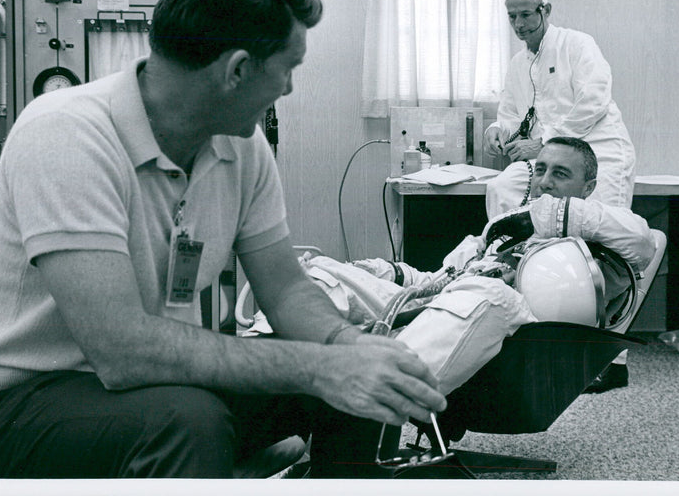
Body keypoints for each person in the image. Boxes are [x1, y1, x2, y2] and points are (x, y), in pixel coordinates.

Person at [0, 0, 447, 479]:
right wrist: (320, 366)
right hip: (25, 401)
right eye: (288, 68)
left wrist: (350, 348)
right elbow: (121, 351)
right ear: (238, 70)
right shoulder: (65, 134)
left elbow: (286, 288)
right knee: (186, 421)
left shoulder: (240, 145)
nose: (289, 87)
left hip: (160, 384)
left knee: (361, 387)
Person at [275, 137, 656, 397]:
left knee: (487, 293)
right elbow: (447, 277)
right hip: (444, 306)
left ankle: (364, 395)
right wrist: (392, 273)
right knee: (319, 273)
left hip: (515, 335)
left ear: (588, 187)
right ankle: (273, 391)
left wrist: (548, 218)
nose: (544, 182)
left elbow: (644, 241)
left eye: (560, 173)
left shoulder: (597, 243)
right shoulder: (505, 229)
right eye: (539, 170)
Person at [484, 0, 636, 219]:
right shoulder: (517, 65)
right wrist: (497, 129)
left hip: (599, 153)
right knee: (501, 188)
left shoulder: (576, 44)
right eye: (512, 16)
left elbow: (594, 101)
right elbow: (512, 115)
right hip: (551, 161)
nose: (519, 24)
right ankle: (510, 251)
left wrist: (544, 142)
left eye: (525, 14)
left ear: (545, 10)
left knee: (598, 225)